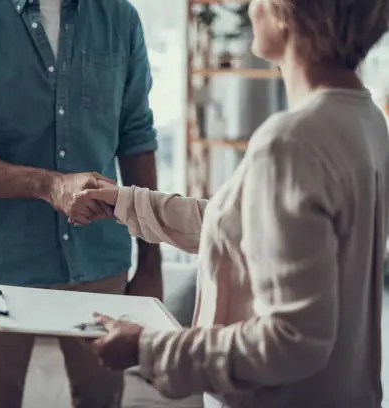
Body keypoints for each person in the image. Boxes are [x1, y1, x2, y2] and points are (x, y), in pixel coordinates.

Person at [70, 0, 389, 407]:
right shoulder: (364, 118)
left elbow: (293, 340)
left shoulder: (291, 143)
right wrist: (126, 203)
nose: (251, 8)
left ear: (287, 14)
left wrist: (149, 348)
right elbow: (250, 230)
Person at [0, 0, 165, 407]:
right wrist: (50, 186)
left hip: (100, 262)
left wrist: (152, 261)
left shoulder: (120, 18)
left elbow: (136, 134)